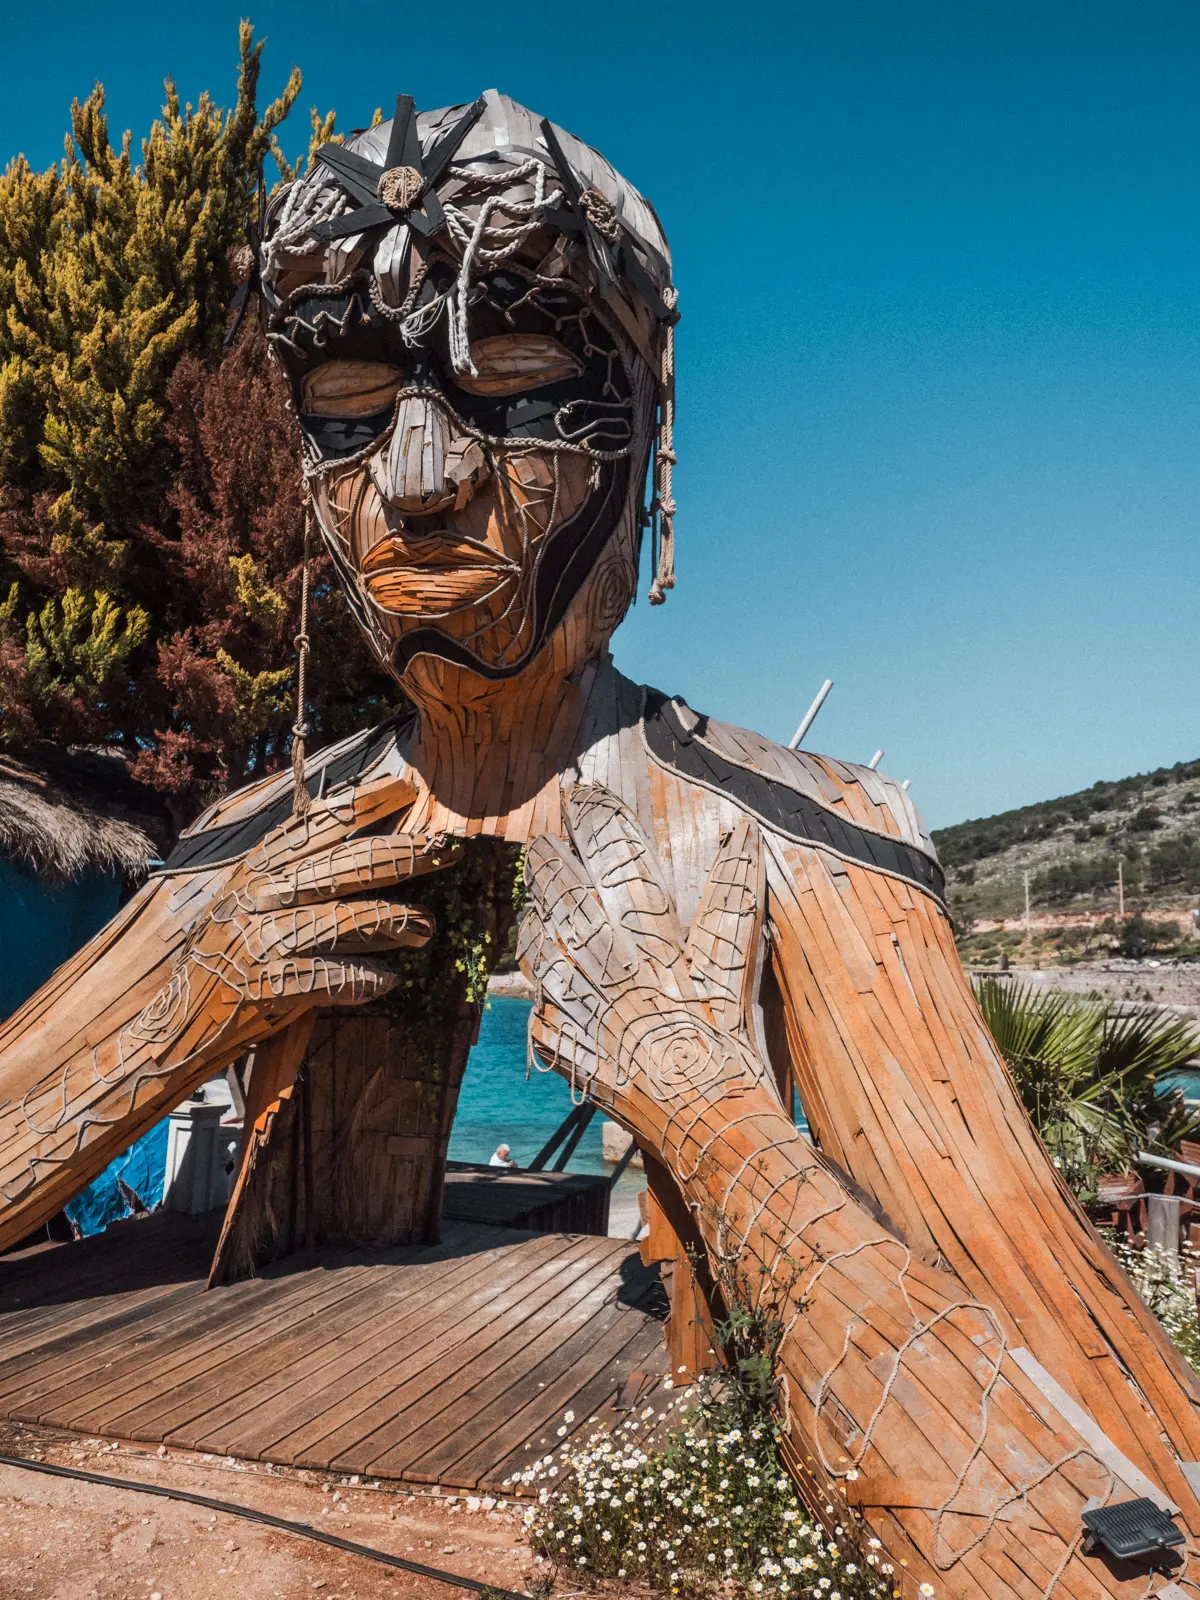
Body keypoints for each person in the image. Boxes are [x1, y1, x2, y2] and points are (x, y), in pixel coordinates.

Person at [2, 88, 1199, 1595]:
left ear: (642, 431)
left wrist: (705, 1108)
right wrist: (182, 997)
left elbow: (1099, 1461)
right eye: (356, 400)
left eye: (512, 370)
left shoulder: (812, 834)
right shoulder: (252, 838)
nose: (420, 478)